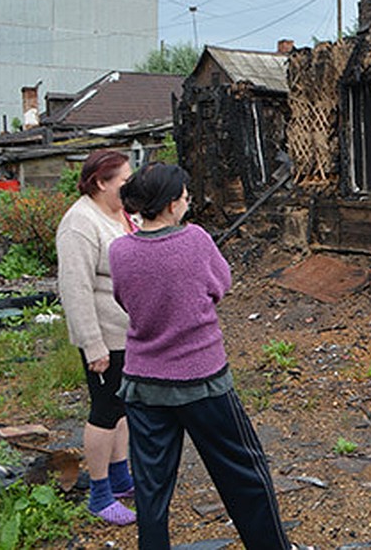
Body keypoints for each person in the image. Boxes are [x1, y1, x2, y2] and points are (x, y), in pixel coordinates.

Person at [109, 163, 303, 550]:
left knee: (151, 489)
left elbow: (123, 300)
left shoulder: (120, 250)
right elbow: (221, 285)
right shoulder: (195, 240)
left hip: (144, 383)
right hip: (202, 380)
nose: (188, 203)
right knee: (244, 473)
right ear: (168, 205)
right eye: (184, 197)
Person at [55, 149, 138, 526]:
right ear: (101, 182)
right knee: (104, 413)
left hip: (128, 334)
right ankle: (100, 494)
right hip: (104, 337)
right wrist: (92, 345)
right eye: (124, 179)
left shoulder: (122, 214)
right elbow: (75, 289)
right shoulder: (79, 224)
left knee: (121, 409)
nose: (130, 184)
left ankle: (121, 477)